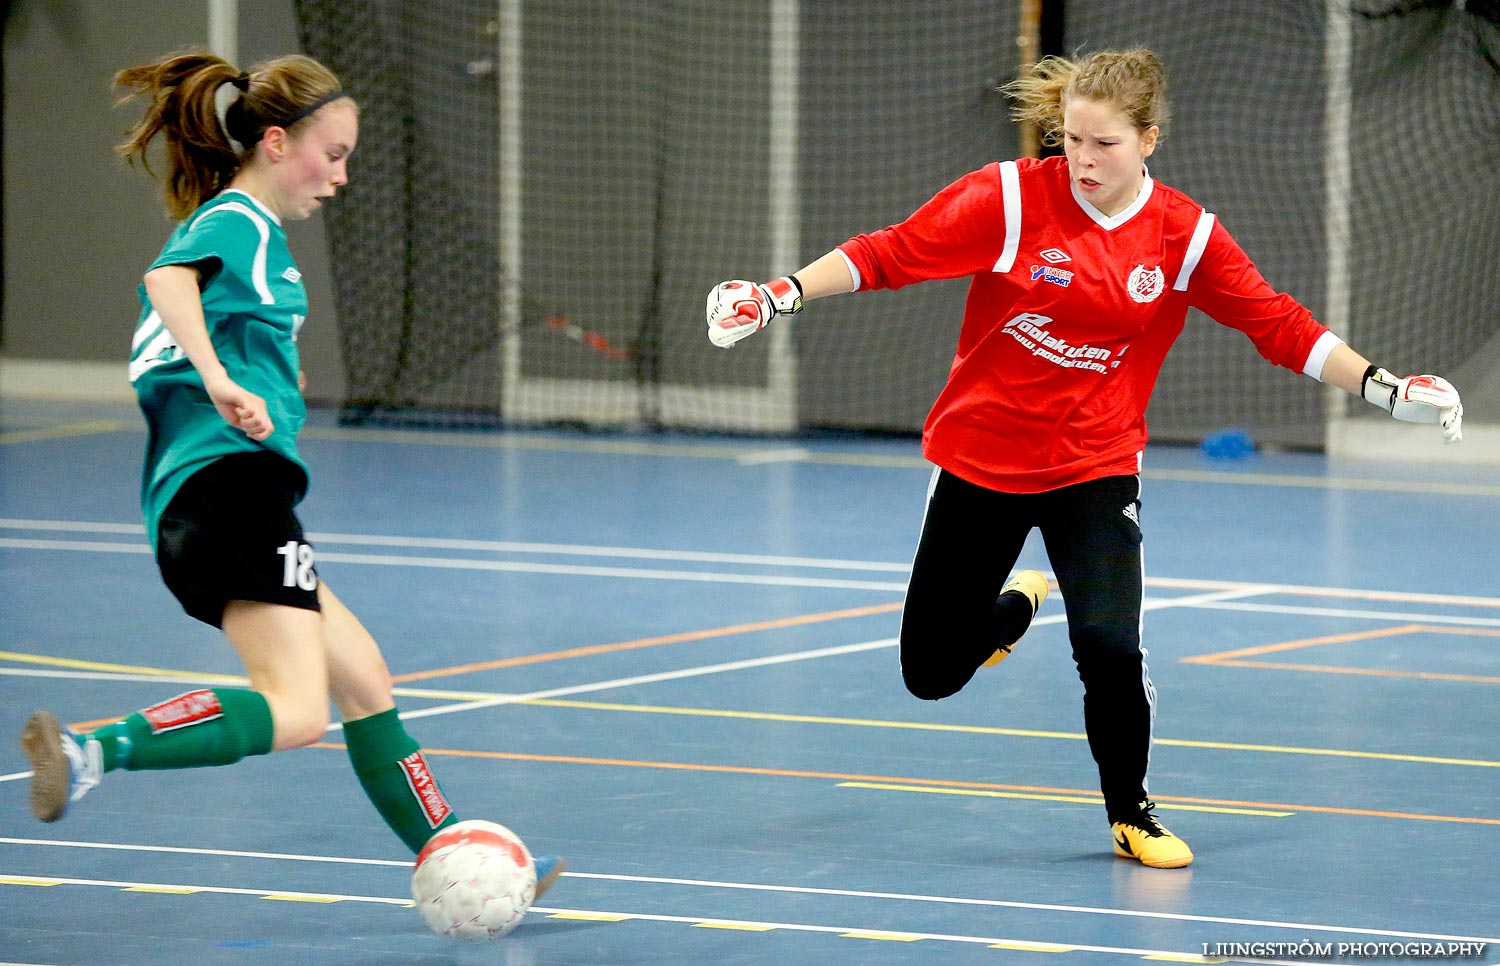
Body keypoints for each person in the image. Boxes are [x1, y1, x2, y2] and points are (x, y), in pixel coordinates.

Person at [704, 49, 1462, 869]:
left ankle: (1131, 811)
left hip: (1094, 465)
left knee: (1109, 644)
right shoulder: (1007, 199)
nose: (1083, 161)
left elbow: (1278, 324)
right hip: (980, 460)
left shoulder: (1183, 235)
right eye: (1069, 140)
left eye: (1103, 143)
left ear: (1149, 140)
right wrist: (776, 294)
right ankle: (1016, 608)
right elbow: (888, 253)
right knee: (929, 673)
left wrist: (1383, 387)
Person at [19, 49, 564, 899]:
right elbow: (165, 282)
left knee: (364, 676)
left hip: (225, 494)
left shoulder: (257, 242)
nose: (340, 176)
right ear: (277, 143)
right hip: (229, 491)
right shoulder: (236, 220)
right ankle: (94, 753)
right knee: (298, 710)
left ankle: (459, 858)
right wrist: (220, 377)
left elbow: (191, 333)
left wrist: (263, 377)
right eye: (333, 154)